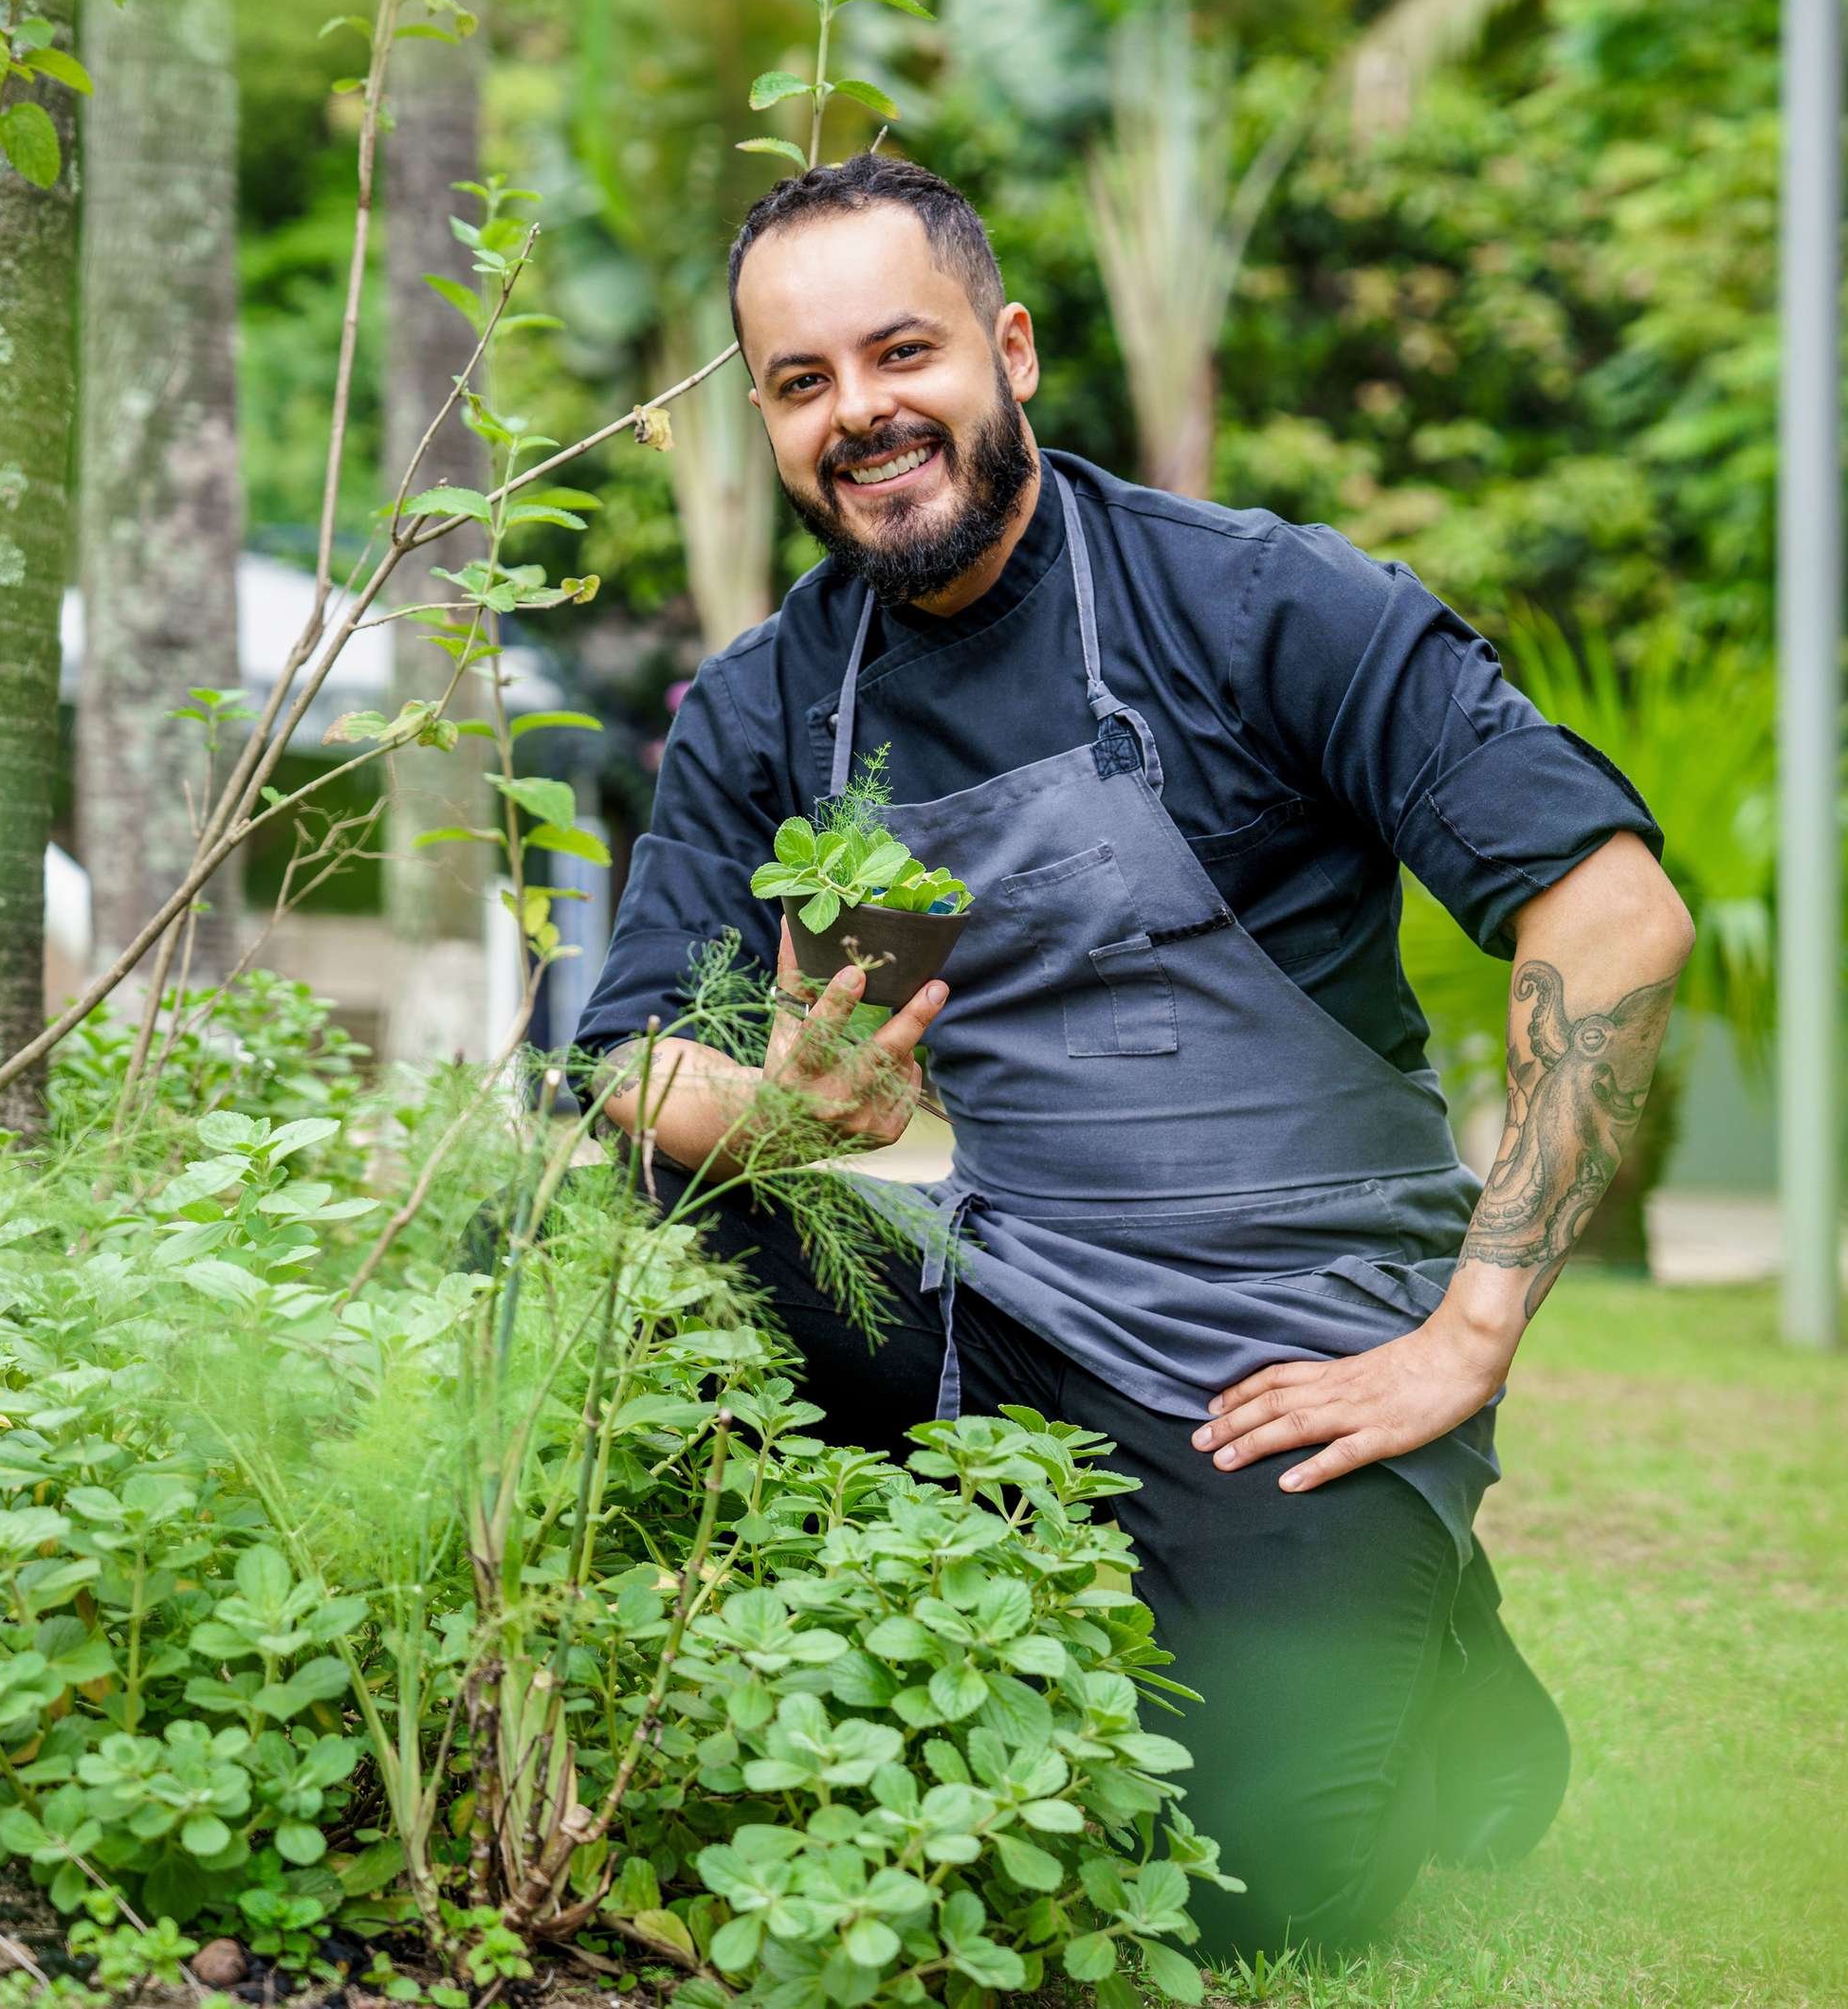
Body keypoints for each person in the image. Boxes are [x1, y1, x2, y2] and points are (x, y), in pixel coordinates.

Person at [576, 153, 1694, 1958]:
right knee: (632, 1225)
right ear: (772, 425)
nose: (861, 414)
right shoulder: (782, 698)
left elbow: (1616, 916)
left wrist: (1464, 1336)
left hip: (1297, 1334)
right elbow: (625, 1053)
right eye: (803, 383)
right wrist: (778, 1113)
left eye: (901, 353)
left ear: (1009, 351)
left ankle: (1430, 1638)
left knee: (1265, 1902)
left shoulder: (1259, 606)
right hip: (1000, 1301)